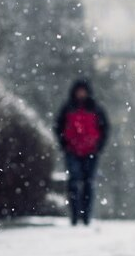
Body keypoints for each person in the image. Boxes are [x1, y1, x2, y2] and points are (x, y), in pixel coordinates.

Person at [55, 79, 110, 226]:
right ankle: (74, 216)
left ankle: (86, 216)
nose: (81, 94)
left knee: (88, 184)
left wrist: (98, 146)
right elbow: (59, 127)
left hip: (91, 151)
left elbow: (104, 129)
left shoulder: (96, 108)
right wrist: (65, 145)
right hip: (72, 151)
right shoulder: (67, 108)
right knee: (74, 182)